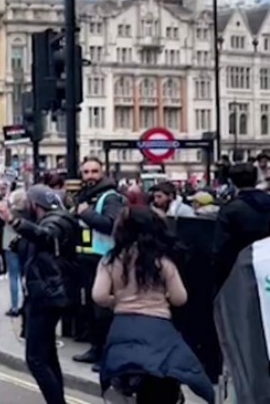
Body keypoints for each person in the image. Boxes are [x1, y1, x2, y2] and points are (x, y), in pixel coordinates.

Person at [93, 206, 213, 404]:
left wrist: (118, 301)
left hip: (122, 327)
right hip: (159, 330)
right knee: (165, 377)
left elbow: (99, 295)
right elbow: (180, 298)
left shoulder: (110, 260)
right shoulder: (162, 262)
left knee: (123, 380)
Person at [0, 185, 80, 404]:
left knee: (35, 358)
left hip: (48, 295)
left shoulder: (56, 221)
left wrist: (14, 221)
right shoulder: (50, 220)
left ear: (35, 204)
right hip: (44, 293)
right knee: (47, 356)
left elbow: (45, 237)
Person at [72, 156, 124, 369]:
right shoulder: (85, 196)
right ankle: (95, 349)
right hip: (86, 258)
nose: (90, 176)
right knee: (90, 308)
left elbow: (111, 225)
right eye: (86, 172)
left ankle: (106, 355)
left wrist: (86, 213)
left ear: (102, 173)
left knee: (103, 310)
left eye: (94, 171)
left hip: (104, 258)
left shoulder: (111, 197)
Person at [215, 162, 270, 290]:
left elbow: (221, 247)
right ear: (256, 179)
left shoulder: (230, 209)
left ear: (232, 182)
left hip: (240, 270)